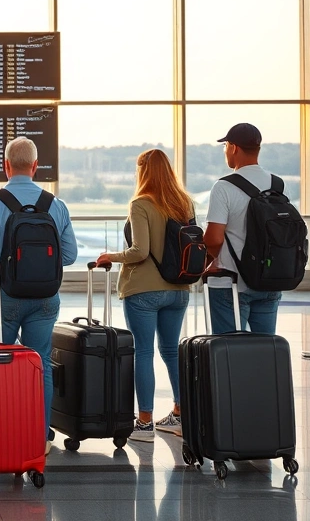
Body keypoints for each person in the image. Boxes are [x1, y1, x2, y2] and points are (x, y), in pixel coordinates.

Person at [0, 137, 77, 454]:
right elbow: (68, 255)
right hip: (45, 297)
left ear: (6, 166)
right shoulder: (55, 205)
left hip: (5, 293)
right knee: (40, 361)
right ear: (35, 167)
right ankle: (38, 437)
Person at [95, 149, 192, 441]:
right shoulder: (183, 202)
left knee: (144, 352)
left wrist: (109, 256)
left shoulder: (140, 203)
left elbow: (141, 251)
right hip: (178, 289)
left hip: (144, 291)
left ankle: (145, 422)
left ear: (143, 172)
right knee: (172, 351)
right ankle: (180, 414)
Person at [202, 123, 283, 335]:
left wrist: (206, 263)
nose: (225, 151)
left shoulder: (224, 187)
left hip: (231, 282)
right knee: (267, 351)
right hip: (270, 280)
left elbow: (214, 239)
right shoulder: (277, 184)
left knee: (228, 353)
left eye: (225, 146)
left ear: (234, 147)